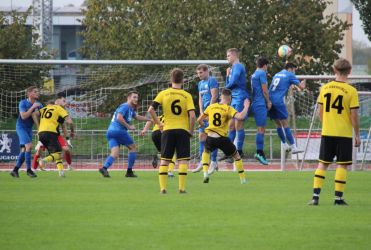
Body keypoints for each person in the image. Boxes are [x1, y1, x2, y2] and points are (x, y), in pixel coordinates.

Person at [308, 58, 360, 206]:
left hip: (327, 132)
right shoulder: (351, 91)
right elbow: (354, 116)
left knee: (323, 164)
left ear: (334, 70)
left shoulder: (325, 88)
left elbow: (320, 111)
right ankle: (338, 199)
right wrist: (356, 134)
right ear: (349, 71)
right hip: (343, 133)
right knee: (342, 165)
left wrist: (327, 125)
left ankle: (315, 197)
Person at [148, 68, 196, 194]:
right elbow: (192, 116)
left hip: (167, 130)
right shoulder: (187, 95)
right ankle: (181, 188)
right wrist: (191, 131)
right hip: (182, 130)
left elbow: (150, 110)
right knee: (182, 160)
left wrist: (159, 123)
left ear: (171, 79)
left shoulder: (163, 93)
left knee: (165, 160)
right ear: (183, 80)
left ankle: (163, 188)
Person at [198, 89, 250, 184]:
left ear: (221, 97)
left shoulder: (211, 107)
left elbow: (200, 119)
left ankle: (205, 173)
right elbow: (241, 116)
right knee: (236, 156)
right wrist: (246, 106)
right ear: (230, 99)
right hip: (222, 138)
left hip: (210, 137)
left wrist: (202, 124)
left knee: (206, 152)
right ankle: (243, 179)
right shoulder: (228, 108)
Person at [99, 91, 150, 178]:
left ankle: (104, 168)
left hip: (110, 132)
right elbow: (119, 117)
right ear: (128, 98)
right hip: (119, 131)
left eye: (137, 97)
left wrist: (148, 119)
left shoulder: (130, 109)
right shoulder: (125, 106)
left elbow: (137, 117)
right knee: (133, 147)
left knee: (115, 153)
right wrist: (129, 126)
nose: (136, 99)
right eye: (134, 97)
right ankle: (129, 171)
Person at [268, 63, 306, 153]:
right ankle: (293, 147)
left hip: (269, 100)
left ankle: (284, 144)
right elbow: (301, 88)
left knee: (278, 124)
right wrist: (303, 84)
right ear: (290, 69)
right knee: (285, 124)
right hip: (278, 101)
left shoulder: (276, 74)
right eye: (294, 70)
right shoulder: (289, 75)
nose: (294, 72)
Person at [222, 48, 249, 161]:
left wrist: (225, 87)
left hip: (240, 96)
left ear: (234, 55)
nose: (227, 58)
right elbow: (230, 82)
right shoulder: (232, 68)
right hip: (235, 97)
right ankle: (229, 152)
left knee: (238, 125)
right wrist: (227, 76)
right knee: (231, 125)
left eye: (228, 56)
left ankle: (239, 151)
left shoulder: (238, 66)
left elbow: (232, 83)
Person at [33, 97, 74, 171]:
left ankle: (68, 166)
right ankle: (34, 168)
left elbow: (63, 127)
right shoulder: (54, 109)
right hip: (48, 133)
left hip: (56, 135)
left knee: (66, 149)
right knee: (41, 151)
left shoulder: (57, 111)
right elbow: (68, 123)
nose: (64, 103)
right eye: (63, 101)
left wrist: (67, 139)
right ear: (56, 103)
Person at [10, 86, 42, 178]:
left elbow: (42, 116)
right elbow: (23, 116)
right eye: (35, 92)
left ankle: (15, 170)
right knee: (29, 146)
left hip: (29, 129)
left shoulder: (39, 104)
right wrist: (33, 107)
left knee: (24, 150)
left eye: (38, 91)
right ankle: (29, 170)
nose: (37, 93)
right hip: (21, 127)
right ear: (29, 93)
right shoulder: (23, 103)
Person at [192, 64, 219, 174]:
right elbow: (200, 98)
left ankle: (213, 162)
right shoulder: (200, 83)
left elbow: (214, 96)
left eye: (201, 72)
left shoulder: (212, 80)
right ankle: (203, 162)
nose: (199, 75)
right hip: (204, 114)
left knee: (213, 138)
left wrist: (208, 112)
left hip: (212, 114)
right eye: (198, 73)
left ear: (207, 71)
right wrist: (202, 112)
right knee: (202, 137)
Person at [250, 57, 271, 165]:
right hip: (260, 104)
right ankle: (259, 153)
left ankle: (259, 152)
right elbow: (264, 90)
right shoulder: (262, 73)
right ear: (264, 66)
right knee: (261, 129)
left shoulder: (254, 74)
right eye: (267, 66)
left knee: (260, 129)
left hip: (255, 103)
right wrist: (268, 101)